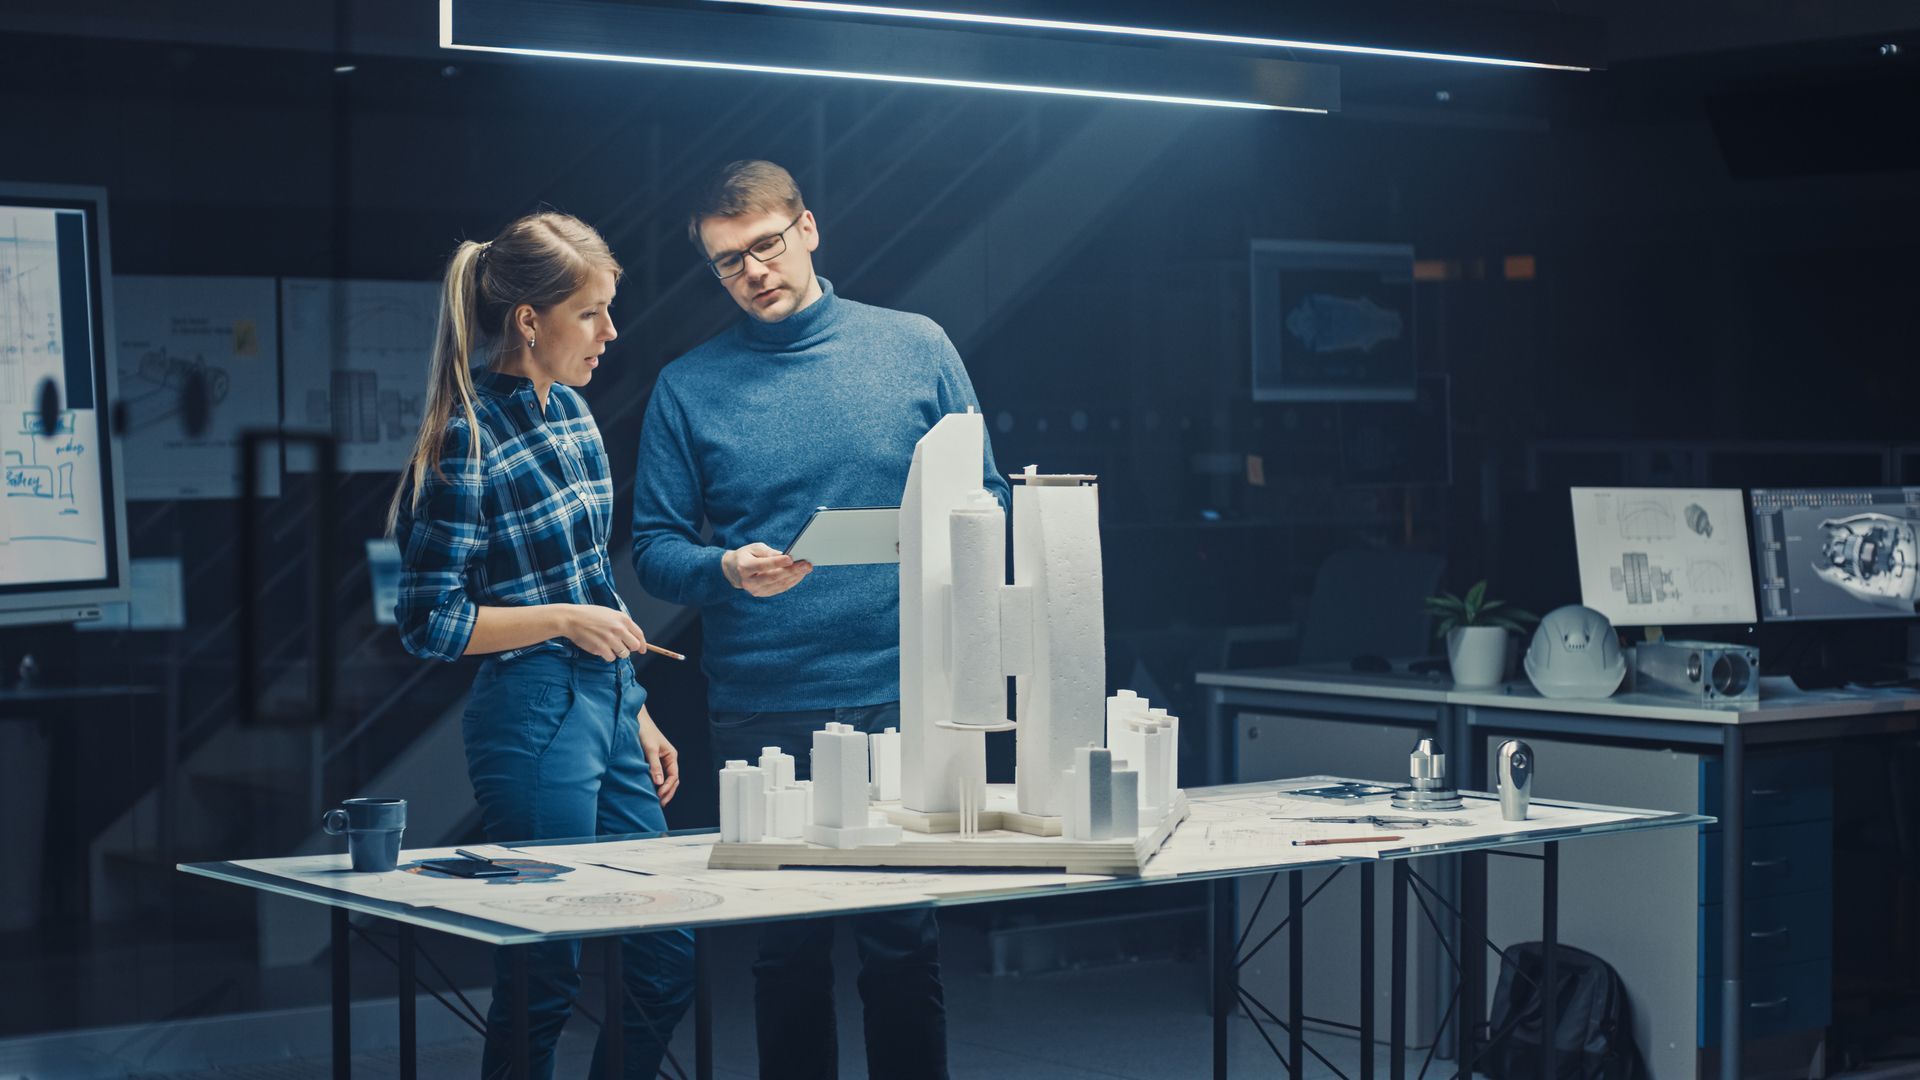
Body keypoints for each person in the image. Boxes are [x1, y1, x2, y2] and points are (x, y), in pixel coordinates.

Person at [631, 160, 1009, 1079]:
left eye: (765, 245)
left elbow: (987, 500)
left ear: (807, 229)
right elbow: (652, 548)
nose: (753, 271)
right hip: (762, 702)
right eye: (728, 262)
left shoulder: (916, 346)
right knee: (784, 953)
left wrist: (940, 540)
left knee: (901, 948)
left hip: (902, 693)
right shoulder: (689, 386)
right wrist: (723, 568)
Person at [390, 211, 693, 1079]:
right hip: (528, 715)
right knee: (545, 970)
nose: (610, 331)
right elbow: (430, 622)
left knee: (665, 953)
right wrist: (562, 620)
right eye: (592, 313)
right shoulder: (466, 437)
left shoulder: (577, 418)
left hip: (605, 702)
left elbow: (594, 585)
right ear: (531, 321)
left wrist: (634, 712)